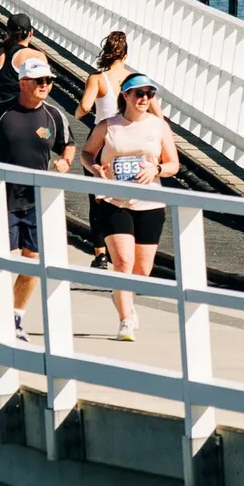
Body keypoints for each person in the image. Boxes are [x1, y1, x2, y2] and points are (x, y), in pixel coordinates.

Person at [0, 53, 74, 341]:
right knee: (7, 259)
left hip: (36, 201)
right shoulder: (2, 111)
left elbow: (69, 145)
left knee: (32, 263)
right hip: (4, 198)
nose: (45, 85)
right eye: (40, 80)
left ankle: (14, 319)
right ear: (23, 82)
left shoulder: (54, 115)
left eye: (49, 81)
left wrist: (65, 161)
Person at [82, 73, 180, 341]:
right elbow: (87, 152)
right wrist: (95, 169)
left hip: (149, 202)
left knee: (142, 270)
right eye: (139, 94)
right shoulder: (108, 125)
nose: (145, 99)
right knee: (123, 262)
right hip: (113, 201)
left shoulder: (159, 126)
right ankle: (125, 320)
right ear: (125, 96)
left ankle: (125, 299)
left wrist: (157, 168)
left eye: (150, 94)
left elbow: (174, 164)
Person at [77, 31, 133, 126]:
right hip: (127, 133)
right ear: (125, 56)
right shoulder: (135, 79)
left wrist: (77, 115)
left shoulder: (97, 78)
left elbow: (85, 107)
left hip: (104, 132)